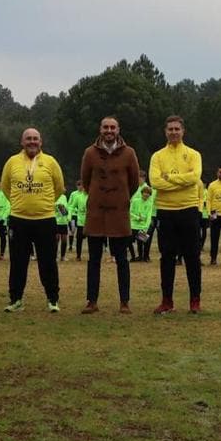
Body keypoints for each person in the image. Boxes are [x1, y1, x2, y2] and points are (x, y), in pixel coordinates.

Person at [79, 116, 141, 313]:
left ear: (118, 129)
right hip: (97, 213)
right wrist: (99, 197)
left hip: (119, 214)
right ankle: (92, 301)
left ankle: (124, 302)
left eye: (112, 127)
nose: (109, 130)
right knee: (94, 260)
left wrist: (120, 198)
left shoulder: (129, 153)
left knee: (122, 260)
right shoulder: (89, 153)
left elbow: (133, 183)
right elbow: (86, 180)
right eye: (106, 127)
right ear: (100, 129)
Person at [1, 128, 66, 313]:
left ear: (41, 142)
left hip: (45, 220)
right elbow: (6, 187)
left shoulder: (50, 162)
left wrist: (44, 204)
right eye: (28, 139)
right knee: (18, 262)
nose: (32, 142)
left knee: (48, 262)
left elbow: (59, 187)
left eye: (35, 139)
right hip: (19, 220)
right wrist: (19, 203)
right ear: (22, 142)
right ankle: (16, 300)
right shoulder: (12, 162)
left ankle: (52, 300)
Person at [148, 116, 204, 314]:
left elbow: (194, 178)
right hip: (166, 212)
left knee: (192, 257)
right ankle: (167, 301)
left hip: (188, 210)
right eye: (170, 129)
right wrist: (182, 180)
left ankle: (195, 300)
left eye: (176, 129)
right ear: (165, 132)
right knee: (167, 257)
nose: (173, 132)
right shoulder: (157, 156)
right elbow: (155, 182)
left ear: (183, 131)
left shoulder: (193, 154)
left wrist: (169, 178)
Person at [130, 186, 156, 262]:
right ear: (142, 193)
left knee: (143, 241)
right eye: (145, 192)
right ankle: (135, 256)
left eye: (148, 193)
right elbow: (130, 212)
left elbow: (148, 217)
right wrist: (138, 218)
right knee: (130, 241)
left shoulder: (150, 204)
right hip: (133, 225)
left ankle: (144, 257)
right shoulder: (135, 201)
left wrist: (145, 228)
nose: (146, 194)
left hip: (143, 226)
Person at [68, 182, 89, 261]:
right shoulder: (77, 196)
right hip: (80, 221)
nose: (82, 188)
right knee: (79, 239)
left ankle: (93, 256)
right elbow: (71, 206)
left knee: (92, 240)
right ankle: (78, 255)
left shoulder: (92, 196)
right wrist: (69, 215)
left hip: (90, 222)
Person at [54, 187, 71, 261]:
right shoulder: (54, 196)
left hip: (64, 222)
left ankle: (62, 256)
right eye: (63, 188)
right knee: (56, 239)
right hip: (56, 221)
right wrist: (59, 206)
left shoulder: (64, 197)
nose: (64, 189)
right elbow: (54, 206)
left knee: (64, 239)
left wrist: (68, 216)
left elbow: (66, 208)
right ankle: (55, 256)